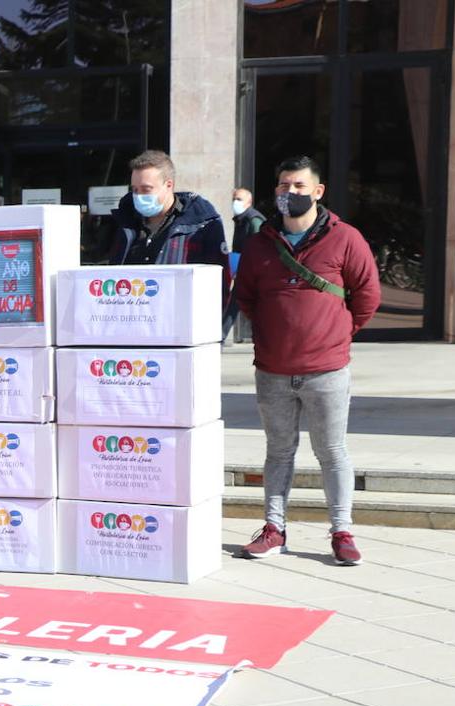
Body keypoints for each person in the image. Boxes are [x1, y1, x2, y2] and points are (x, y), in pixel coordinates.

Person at [233, 155, 380, 566]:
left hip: (327, 370)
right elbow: (246, 297)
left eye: (298, 186)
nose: (289, 193)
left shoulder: (345, 238)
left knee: (332, 452)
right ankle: (274, 528)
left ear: (318, 192)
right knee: (278, 452)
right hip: (273, 371)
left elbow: (367, 296)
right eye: (283, 186)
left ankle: (341, 531)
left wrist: (335, 334)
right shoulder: (261, 242)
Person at [107, 150, 230, 309]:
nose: (138, 196)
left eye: (146, 189)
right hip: (131, 324)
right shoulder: (126, 222)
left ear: (169, 185)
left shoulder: (201, 224)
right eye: (135, 190)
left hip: (180, 325)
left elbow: (219, 286)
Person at [225, 186, 267, 343]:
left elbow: (259, 247)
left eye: (239, 199)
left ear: (249, 202)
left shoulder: (253, 220)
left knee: (250, 304)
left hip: (254, 272)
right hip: (244, 269)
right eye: (234, 199)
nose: (235, 202)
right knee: (235, 303)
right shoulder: (241, 220)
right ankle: (221, 338)